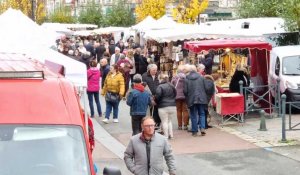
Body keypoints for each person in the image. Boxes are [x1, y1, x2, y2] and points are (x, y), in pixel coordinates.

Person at [183, 65, 208, 137]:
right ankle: (202, 128)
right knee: (202, 113)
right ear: (196, 70)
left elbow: (185, 91)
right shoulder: (201, 77)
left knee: (193, 114)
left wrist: (187, 97)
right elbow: (206, 87)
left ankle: (194, 131)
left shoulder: (187, 78)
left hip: (191, 98)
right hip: (201, 98)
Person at [155, 74, 177, 139]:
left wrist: (156, 101)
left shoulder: (160, 86)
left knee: (164, 121)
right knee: (169, 121)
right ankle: (171, 135)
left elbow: (158, 96)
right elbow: (175, 94)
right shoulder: (172, 85)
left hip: (163, 106)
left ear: (161, 79)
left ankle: (166, 136)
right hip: (172, 105)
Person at [142, 64, 160, 128]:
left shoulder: (158, 75)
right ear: (149, 70)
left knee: (156, 110)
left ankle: (155, 122)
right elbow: (144, 86)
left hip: (157, 95)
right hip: (148, 95)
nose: (155, 71)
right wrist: (150, 95)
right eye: (153, 70)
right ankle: (148, 123)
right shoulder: (144, 76)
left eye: (156, 70)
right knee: (149, 110)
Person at [171, 65, 189, 130]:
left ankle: (179, 125)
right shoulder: (186, 78)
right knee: (185, 110)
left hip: (177, 96)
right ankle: (185, 125)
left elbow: (172, 86)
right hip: (185, 96)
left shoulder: (174, 77)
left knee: (178, 110)